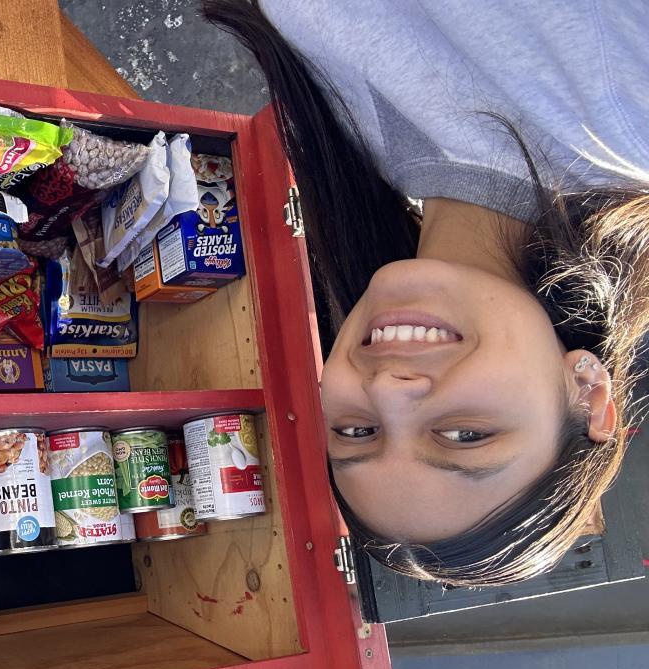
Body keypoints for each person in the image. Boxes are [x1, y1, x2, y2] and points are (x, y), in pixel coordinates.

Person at [202, 0, 648, 586]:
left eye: (356, 431)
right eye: (466, 435)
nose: (388, 389)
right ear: (589, 391)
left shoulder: (353, 136)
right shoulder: (626, 115)